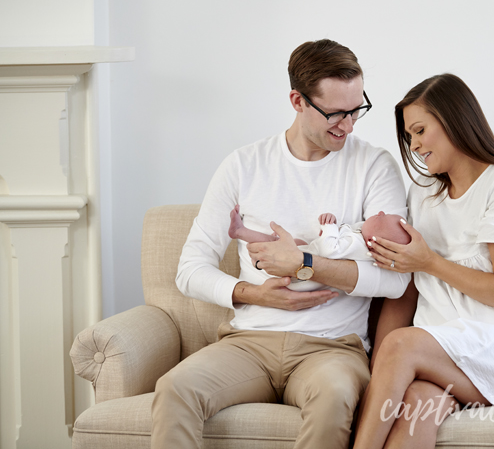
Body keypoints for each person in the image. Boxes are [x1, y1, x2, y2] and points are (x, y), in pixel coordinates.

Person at [150, 39, 410, 449]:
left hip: (332, 349)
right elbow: (190, 268)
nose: (348, 125)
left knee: (335, 396)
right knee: (174, 388)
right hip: (249, 343)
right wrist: (253, 294)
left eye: (356, 109)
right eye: (335, 113)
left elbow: (394, 281)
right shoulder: (243, 165)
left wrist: (304, 263)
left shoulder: (374, 167)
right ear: (298, 100)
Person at [352, 73, 494, 449]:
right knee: (418, 403)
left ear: (454, 119)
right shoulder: (423, 193)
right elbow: (406, 291)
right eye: (410, 136)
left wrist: (429, 262)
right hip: (448, 348)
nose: (416, 145)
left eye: (421, 130)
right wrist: (380, 374)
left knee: (398, 346)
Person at [228, 205, 411, 291]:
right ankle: (241, 232)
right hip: (305, 259)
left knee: (274, 242)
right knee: (285, 242)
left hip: (301, 274)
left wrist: (329, 227)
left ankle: (241, 232)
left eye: (381, 218)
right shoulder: (360, 236)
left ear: (374, 240)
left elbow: (329, 250)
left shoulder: (359, 245)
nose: (379, 212)